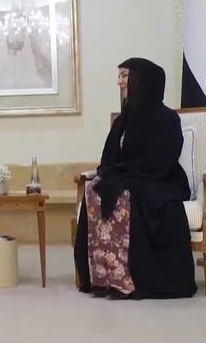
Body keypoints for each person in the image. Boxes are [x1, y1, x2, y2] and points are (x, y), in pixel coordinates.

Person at [74, 58, 196, 299]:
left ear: (143, 80)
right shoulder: (123, 120)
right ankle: (104, 277)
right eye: (119, 76)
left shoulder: (166, 118)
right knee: (96, 191)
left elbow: (161, 159)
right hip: (129, 177)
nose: (119, 81)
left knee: (124, 195)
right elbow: (109, 158)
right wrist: (112, 171)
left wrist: (124, 172)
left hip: (160, 180)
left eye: (124, 76)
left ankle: (128, 280)